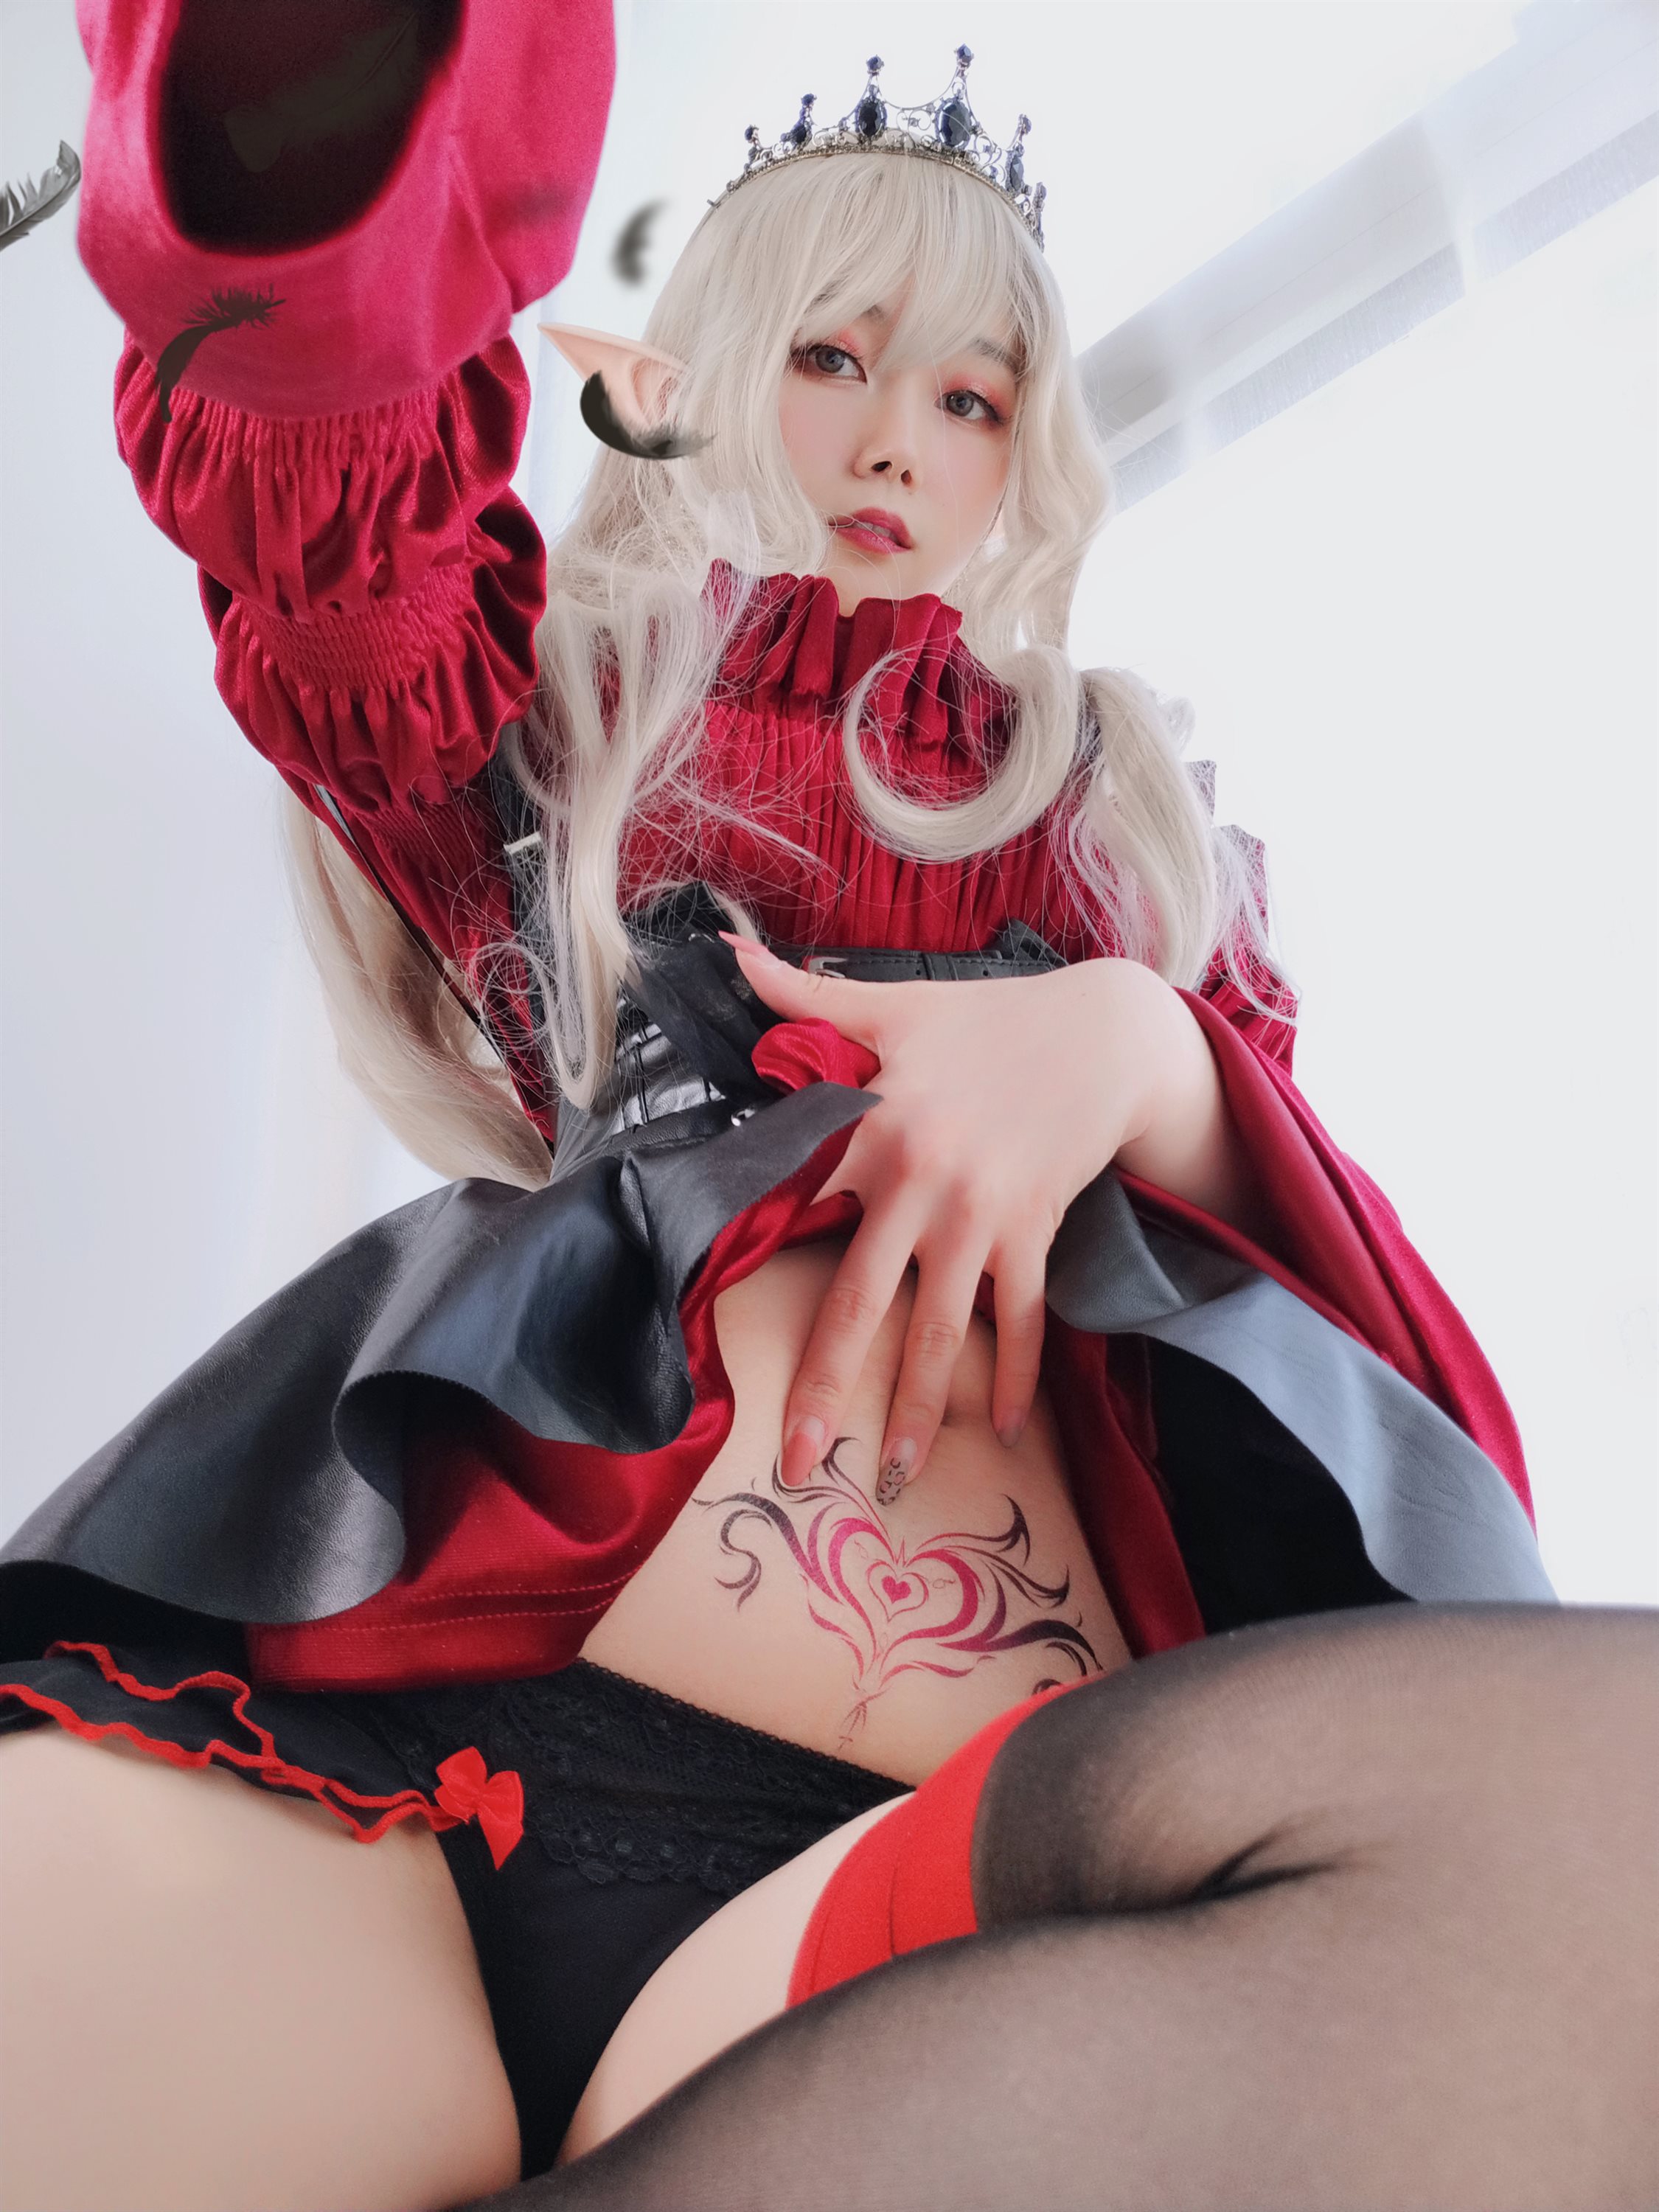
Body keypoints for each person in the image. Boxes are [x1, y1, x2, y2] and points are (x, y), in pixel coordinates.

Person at [1, 7, 1652, 2210]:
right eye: (832, 356)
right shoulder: (564, 726)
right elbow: (340, 534)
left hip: (958, 1860)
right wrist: (317, 137)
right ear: (703, 374)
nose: (896, 439)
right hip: (383, 1756)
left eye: (970, 396)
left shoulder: (1124, 832)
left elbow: (1396, 1413)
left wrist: (1144, 1050)